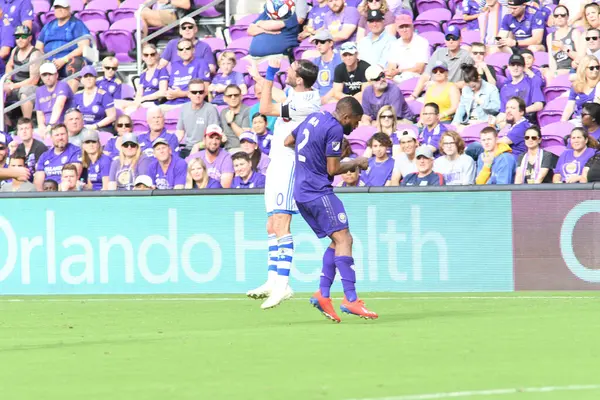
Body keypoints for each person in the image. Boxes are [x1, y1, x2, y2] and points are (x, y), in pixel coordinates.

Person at [287, 97, 377, 322]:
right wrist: (357, 162)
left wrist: (310, 158)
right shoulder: (335, 128)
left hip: (300, 191)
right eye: (355, 122)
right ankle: (351, 300)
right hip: (317, 191)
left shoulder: (315, 117)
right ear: (346, 117)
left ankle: (323, 294)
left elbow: (288, 140)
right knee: (345, 239)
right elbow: (334, 168)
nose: (355, 127)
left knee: (337, 241)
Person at [246, 57, 321, 308]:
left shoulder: (305, 103)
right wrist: (258, 78)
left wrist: (269, 74)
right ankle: (272, 279)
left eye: (291, 70)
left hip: (290, 164)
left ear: (299, 79)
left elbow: (265, 108)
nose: (286, 72)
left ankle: (283, 285)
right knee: (271, 224)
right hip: (277, 163)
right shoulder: (302, 93)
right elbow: (280, 97)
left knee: (281, 222)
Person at [35, 0, 89, 92]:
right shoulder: (48, 26)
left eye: (62, 7)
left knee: (76, 63)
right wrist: (46, 59)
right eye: (57, 7)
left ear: (68, 9)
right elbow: (38, 47)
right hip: (49, 60)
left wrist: (63, 60)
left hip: (68, 61)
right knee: (35, 61)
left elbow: (84, 46)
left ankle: (69, 100)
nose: (59, 10)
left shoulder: (77, 24)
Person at [409, 25, 473, 98]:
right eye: (448, 38)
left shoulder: (466, 56)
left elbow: (469, 82)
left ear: (460, 39)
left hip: (454, 95)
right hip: (434, 93)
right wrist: (414, 96)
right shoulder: (438, 53)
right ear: (445, 40)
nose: (451, 41)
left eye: (454, 38)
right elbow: (425, 76)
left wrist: (443, 86)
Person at [3, 25, 41, 120]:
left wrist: (13, 86)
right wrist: (8, 80)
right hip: (16, 85)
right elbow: (9, 65)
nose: (20, 39)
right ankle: (6, 122)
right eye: (17, 37)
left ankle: (26, 121)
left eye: (23, 37)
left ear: (30, 38)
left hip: (32, 87)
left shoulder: (35, 54)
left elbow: (34, 80)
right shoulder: (15, 50)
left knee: (25, 92)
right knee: (1, 90)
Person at [176, 79, 220, 158]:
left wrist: (197, 146)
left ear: (204, 93)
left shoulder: (210, 109)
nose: (198, 95)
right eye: (194, 92)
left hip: (205, 149)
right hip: (187, 148)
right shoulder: (184, 108)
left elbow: (213, 137)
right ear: (189, 94)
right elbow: (180, 132)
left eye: (201, 92)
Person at [498, 54, 544, 126]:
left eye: (519, 65)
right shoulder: (505, 88)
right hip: (510, 122)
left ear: (524, 67)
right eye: (513, 65)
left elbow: (539, 105)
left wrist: (520, 112)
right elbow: (503, 112)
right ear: (508, 67)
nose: (515, 68)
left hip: (527, 120)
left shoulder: (532, 82)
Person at [33, 123, 81, 190]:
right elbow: (38, 182)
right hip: (48, 192)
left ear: (67, 135)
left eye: (62, 134)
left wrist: (55, 190)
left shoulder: (75, 151)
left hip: (66, 192)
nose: (60, 138)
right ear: (51, 138)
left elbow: (73, 178)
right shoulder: (44, 156)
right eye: (57, 135)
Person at [164, 39, 211, 107]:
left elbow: (206, 91)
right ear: (178, 52)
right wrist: (169, 94)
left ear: (193, 50)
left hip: (190, 103)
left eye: (187, 48)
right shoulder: (174, 65)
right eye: (181, 49)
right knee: (154, 113)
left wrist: (181, 94)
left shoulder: (201, 63)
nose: (184, 51)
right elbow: (170, 87)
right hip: (171, 103)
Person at [385, 13, 429, 83]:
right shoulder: (394, 44)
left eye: (407, 26)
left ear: (412, 27)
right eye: (401, 27)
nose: (404, 30)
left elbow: (419, 69)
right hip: (398, 78)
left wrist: (399, 71)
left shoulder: (422, 42)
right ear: (397, 29)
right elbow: (391, 67)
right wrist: (390, 73)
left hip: (417, 79)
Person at [124, 44, 168, 112]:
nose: (149, 57)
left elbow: (162, 92)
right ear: (142, 57)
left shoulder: (162, 70)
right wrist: (136, 103)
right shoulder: (143, 74)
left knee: (130, 111)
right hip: (142, 102)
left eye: (152, 54)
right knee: (121, 106)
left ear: (157, 55)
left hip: (154, 103)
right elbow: (139, 93)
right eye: (146, 55)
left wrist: (144, 99)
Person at [73, 65, 116, 132]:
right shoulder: (77, 95)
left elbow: (112, 116)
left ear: (95, 78)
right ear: (81, 79)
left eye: (91, 76)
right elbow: (71, 114)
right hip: (81, 129)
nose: (88, 78)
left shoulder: (104, 95)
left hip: (101, 129)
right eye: (85, 76)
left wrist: (95, 126)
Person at [35, 62, 73, 137]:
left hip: (63, 125)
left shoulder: (63, 85)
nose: (47, 77)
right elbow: (39, 113)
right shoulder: (39, 90)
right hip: (47, 127)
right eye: (44, 75)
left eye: (50, 74)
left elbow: (59, 105)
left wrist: (50, 125)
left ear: (56, 75)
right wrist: (41, 126)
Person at [546, 5, 581, 82]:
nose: (559, 17)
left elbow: (580, 56)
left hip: (572, 70)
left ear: (567, 17)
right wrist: (554, 72)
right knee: (548, 74)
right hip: (557, 71)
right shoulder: (550, 37)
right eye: (556, 15)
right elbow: (552, 60)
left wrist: (563, 48)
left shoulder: (575, 33)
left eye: (562, 15)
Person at [563, 56, 600, 124]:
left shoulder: (599, 85)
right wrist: (563, 122)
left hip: (596, 120)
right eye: (591, 68)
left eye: (597, 67)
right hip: (579, 119)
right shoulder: (576, 85)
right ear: (584, 69)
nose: (595, 70)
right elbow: (570, 106)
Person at [312, 30, 342, 104]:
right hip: (318, 98)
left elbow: (339, 86)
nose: (319, 45)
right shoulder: (315, 62)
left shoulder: (339, 60)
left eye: (322, 42)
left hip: (334, 98)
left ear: (331, 43)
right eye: (316, 42)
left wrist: (324, 99)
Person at [219, 84, 251, 149]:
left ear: (241, 96)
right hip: (225, 149)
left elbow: (244, 137)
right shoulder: (223, 112)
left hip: (241, 149)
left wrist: (231, 123)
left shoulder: (247, 110)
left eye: (236, 95)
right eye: (229, 96)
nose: (233, 98)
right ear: (224, 99)